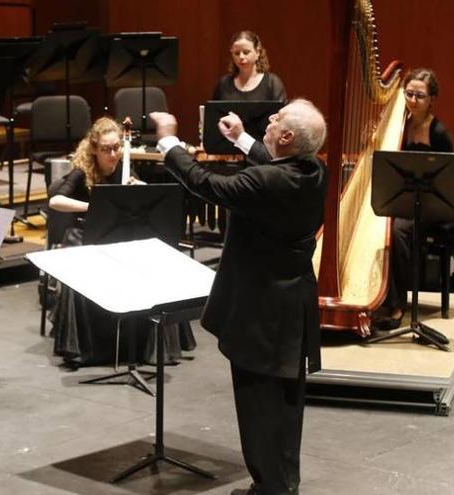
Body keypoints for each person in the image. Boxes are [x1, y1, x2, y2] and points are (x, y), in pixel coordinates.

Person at [151, 99, 328, 495]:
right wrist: (243, 140)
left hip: (260, 311)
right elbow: (275, 164)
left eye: (277, 118)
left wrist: (168, 141)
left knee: (258, 407)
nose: (271, 117)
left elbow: (206, 183)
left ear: (285, 136)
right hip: (291, 304)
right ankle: (281, 484)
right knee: (284, 406)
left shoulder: (265, 183)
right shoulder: (314, 169)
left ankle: (271, 489)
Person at [47, 117, 195, 367]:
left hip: (117, 237)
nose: (113, 154)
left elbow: (139, 202)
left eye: (117, 147)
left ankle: (149, 343)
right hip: (87, 237)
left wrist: (140, 187)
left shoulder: (124, 169)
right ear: (94, 148)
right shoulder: (82, 171)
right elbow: (55, 201)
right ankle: (91, 347)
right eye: (106, 149)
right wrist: (93, 206)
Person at [372, 68, 454, 331]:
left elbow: (448, 179)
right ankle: (375, 295)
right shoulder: (397, 125)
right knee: (379, 224)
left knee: (398, 231)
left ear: (432, 98)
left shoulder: (439, 132)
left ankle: (397, 305)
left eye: (420, 95)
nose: (413, 100)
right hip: (402, 201)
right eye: (408, 94)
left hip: (431, 205)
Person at [212, 30, 286, 102]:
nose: (241, 57)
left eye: (246, 52)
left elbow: (282, 113)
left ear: (257, 52)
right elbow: (213, 113)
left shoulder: (272, 83)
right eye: (237, 53)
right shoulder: (223, 84)